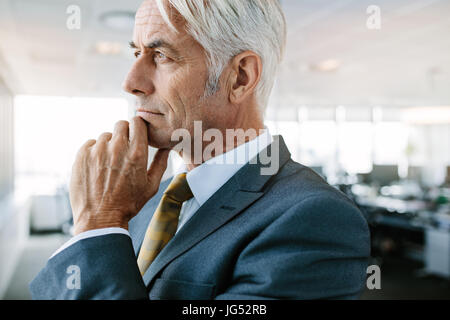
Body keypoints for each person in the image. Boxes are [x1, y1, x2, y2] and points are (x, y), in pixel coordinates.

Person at [30, 0, 370, 299]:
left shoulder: (314, 218)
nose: (131, 82)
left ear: (239, 77)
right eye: (137, 53)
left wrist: (97, 224)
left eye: (161, 56)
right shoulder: (143, 199)